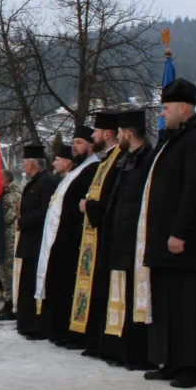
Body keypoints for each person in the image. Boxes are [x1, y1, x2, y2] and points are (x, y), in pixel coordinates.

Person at [140, 78, 196, 389]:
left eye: (165, 108)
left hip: (190, 247)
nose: (162, 114)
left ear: (183, 107)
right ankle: (173, 361)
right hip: (168, 247)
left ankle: (193, 367)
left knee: (190, 308)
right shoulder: (177, 139)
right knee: (170, 306)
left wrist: (179, 232)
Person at [85, 109, 155, 370]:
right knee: (120, 299)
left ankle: (136, 354)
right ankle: (118, 350)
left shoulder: (148, 158)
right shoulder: (126, 159)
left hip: (135, 243)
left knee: (135, 300)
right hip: (118, 241)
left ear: (127, 133)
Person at [34, 139, 98, 346]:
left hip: (74, 239)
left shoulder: (91, 168)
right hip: (62, 239)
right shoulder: (74, 173)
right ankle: (58, 328)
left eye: (79, 142)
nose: (75, 147)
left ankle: (69, 331)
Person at [73, 111, 125, 359]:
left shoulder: (116, 161)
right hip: (95, 236)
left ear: (107, 133)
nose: (92, 136)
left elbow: (111, 201)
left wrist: (88, 207)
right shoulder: (106, 160)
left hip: (106, 235)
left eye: (95, 132)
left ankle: (101, 343)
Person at [15, 144, 59, 338]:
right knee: (27, 284)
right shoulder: (35, 181)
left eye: (24, 162)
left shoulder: (47, 182)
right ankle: (26, 323)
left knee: (35, 284)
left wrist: (22, 222)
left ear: (33, 163)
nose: (22, 165)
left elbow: (44, 212)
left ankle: (36, 325)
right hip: (29, 241)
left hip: (38, 241)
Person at [0, 171, 25, 321]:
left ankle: (13, 305)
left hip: (11, 240)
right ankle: (7, 302)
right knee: (2, 272)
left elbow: (11, 216)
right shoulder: (4, 194)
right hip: (3, 239)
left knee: (10, 272)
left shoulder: (14, 195)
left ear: (5, 180)